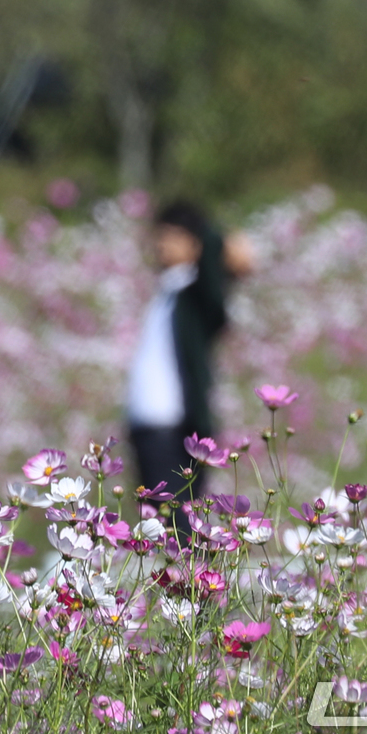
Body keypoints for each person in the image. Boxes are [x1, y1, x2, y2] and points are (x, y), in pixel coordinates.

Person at [126, 200, 253, 511]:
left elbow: (212, 278)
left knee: (177, 526)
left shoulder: (197, 297)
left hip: (176, 427)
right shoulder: (166, 292)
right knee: (154, 523)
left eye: (173, 235)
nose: (162, 244)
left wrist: (216, 240)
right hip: (146, 425)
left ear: (195, 243)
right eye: (160, 235)